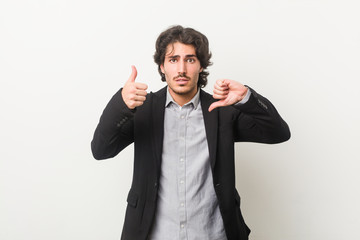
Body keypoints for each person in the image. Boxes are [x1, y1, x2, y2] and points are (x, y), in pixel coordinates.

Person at [91, 25, 290, 240]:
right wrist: (121, 103)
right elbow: (101, 149)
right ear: (162, 66)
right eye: (173, 60)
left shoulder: (222, 111)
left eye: (190, 59)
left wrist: (246, 98)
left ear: (201, 65)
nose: (182, 69)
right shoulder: (143, 109)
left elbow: (278, 133)